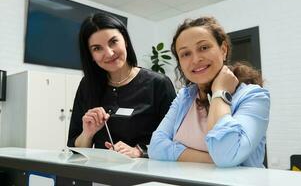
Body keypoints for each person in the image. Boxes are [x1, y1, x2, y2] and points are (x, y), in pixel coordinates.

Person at [148, 16, 270, 167]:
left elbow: (226, 155)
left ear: (223, 50)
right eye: (186, 54)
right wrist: (213, 160)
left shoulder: (254, 96)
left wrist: (220, 92)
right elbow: (156, 147)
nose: (195, 59)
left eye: (204, 48)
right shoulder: (184, 97)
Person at [67, 13, 176, 158]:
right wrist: (87, 134)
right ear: (90, 55)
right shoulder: (87, 85)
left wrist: (140, 151)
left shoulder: (158, 83)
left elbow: (176, 139)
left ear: (125, 40)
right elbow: (74, 147)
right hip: (100, 173)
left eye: (113, 42)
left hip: (145, 174)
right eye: (97, 48)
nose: (109, 53)